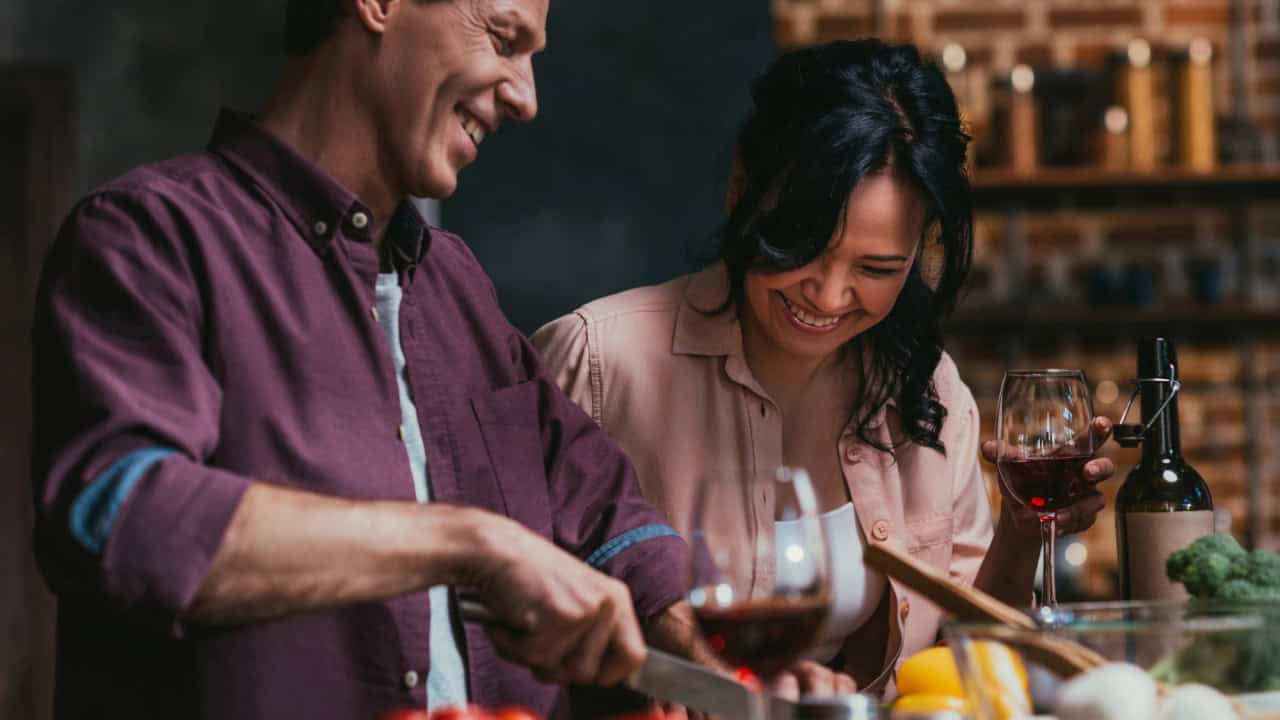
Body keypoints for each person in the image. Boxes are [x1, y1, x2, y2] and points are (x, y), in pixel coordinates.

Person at [29, 1, 751, 717]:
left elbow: (605, 513)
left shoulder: (457, 284)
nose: (526, 97)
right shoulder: (149, 237)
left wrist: (722, 665)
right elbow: (123, 521)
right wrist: (466, 541)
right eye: (503, 38)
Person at [532, 39, 1116, 695]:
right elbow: (497, 622)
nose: (829, 296)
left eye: (877, 269)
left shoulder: (928, 390)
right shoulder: (597, 364)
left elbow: (969, 656)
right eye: (805, 246)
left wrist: (1019, 530)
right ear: (741, 191)